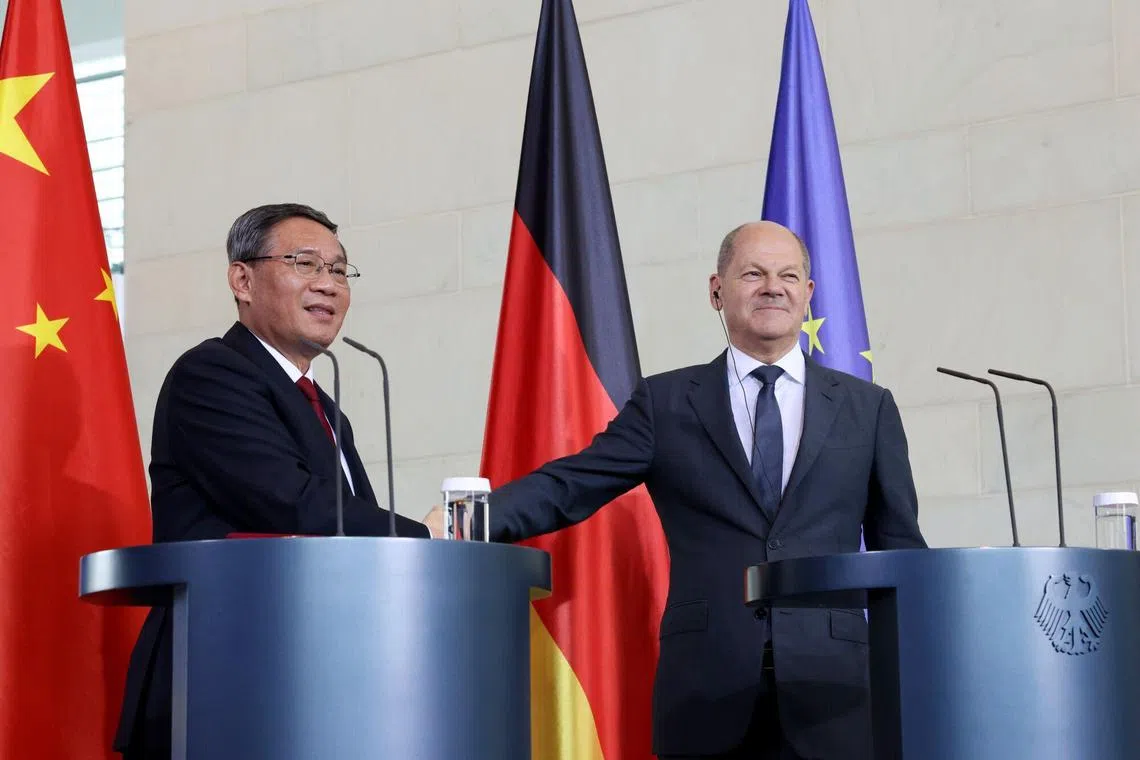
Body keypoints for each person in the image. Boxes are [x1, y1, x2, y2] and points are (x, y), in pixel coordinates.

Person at [429, 220, 927, 759]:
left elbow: (899, 549)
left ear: (808, 293)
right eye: (753, 273)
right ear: (717, 290)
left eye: (789, 275)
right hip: (706, 687)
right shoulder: (666, 402)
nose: (772, 287)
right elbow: (572, 482)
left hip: (835, 692)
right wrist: (468, 519)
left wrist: (930, 666)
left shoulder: (868, 408)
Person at [115, 203, 429, 759]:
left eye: (339, 270)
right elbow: (294, 505)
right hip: (221, 679)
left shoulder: (326, 407)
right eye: (305, 264)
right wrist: (427, 538)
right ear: (242, 278)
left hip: (316, 680)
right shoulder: (211, 375)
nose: (328, 285)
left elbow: (349, 544)